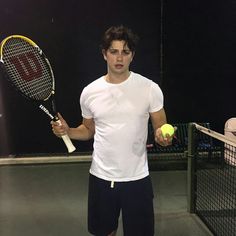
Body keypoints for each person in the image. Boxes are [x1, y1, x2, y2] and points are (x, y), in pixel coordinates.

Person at [51, 25, 174, 236]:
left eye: (125, 52)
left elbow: (161, 127)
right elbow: (88, 130)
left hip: (137, 179)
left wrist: (164, 136)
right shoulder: (90, 92)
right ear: (104, 54)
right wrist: (68, 131)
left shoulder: (149, 89)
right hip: (101, 177)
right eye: (114, 51)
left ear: (132, 56)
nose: (119, 58)